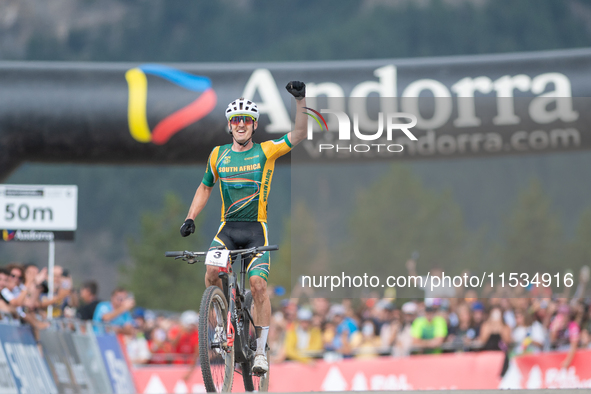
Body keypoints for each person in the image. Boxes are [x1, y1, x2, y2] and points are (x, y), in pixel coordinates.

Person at [179, 81, 308, 374]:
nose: (240, 125)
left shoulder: (266, 151)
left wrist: (300, 100)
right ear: (229, 126)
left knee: (258, 285)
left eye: (246, 121)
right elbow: (204, 187)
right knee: (211, 272)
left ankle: (261, 351)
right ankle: (220, 320)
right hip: (227, 230)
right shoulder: (218, 155)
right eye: (235, 120)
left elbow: (300, 133)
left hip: (255, 231)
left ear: (253, 126)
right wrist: (190, 218)